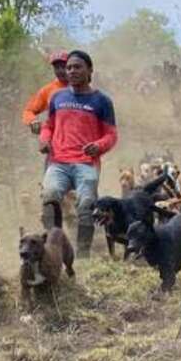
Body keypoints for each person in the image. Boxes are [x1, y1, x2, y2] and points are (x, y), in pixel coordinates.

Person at [38, 50, 117, 254]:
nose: (71, 71)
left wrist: (98, 146)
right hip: (58, 163)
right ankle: (52, 247)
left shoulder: (102, 101)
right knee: (49, 196)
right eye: (69, 67)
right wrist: (44, 140)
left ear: (89, 70)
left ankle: (82, 254)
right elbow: (48, 126)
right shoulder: (57, 98)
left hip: (86, 163)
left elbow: (111, 135)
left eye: (77, 67)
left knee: (86, 204)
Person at [22, 50, 70, 135]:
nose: (60, 71)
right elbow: (28, 111)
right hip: (56, 138)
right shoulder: (48, 90)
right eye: (57, 68)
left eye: (63, 67)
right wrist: (33, 121)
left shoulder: (82, 87)